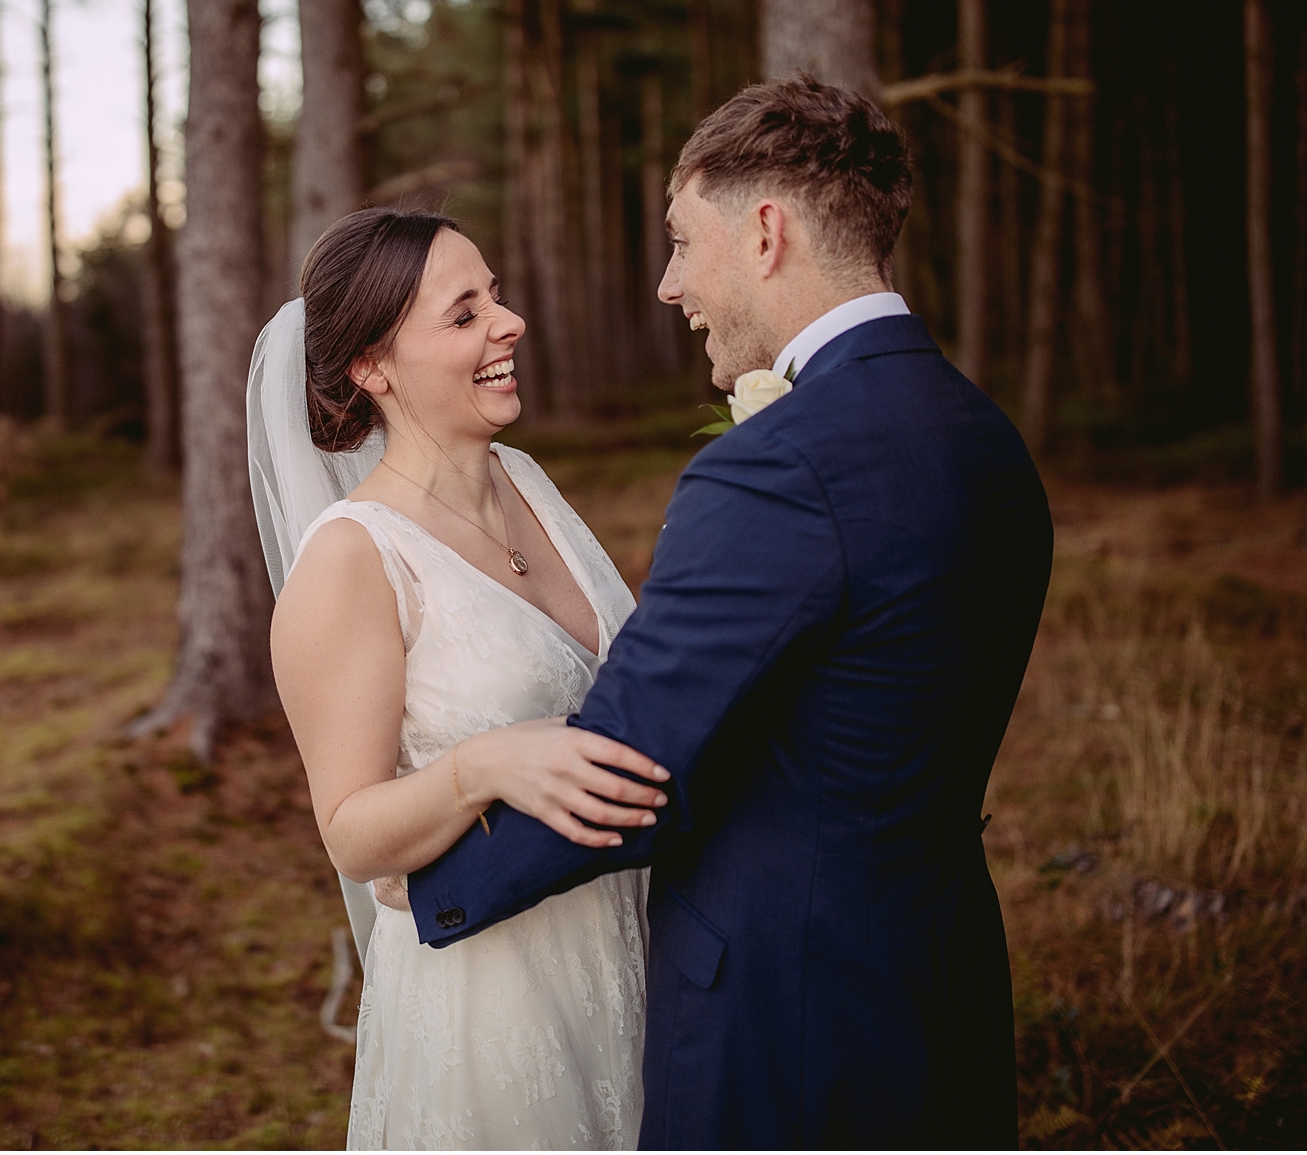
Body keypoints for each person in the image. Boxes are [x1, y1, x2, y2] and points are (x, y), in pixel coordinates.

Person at [400, 75, 1054, 1148]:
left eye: (680, 241)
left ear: (763, 233)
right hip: (945, 976)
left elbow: (637, 762)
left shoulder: (775, 467)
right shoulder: (984, 435)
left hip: (781, 1012)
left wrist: (436, 887)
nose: (667, 284)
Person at [253, 208, 670, 1150]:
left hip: (628, 943)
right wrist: (479, 766)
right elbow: (351, 834)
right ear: (373, 367)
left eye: (499, 297)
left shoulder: (529, 482)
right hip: (493, 989)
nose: (509, 322)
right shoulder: (354, 560)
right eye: (465, 313)